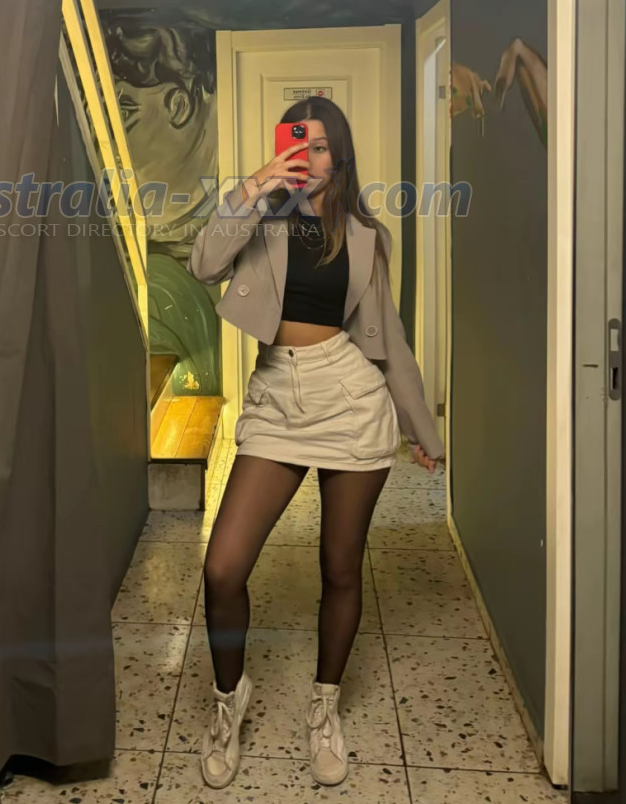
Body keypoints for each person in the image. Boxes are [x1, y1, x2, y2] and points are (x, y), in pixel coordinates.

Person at [186, 95, 445, 790]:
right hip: (276, 399)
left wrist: (422, 430)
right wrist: (252, 187)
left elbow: (388, 339)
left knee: (339, 569)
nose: (308, 156)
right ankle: (228, 702)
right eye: (298, 143)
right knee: (222, 568)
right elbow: (203, 264)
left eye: (321, 146)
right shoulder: (261, 219)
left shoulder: (365, 235)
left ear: (341, 155)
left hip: (349, 400)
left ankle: (324, 707)